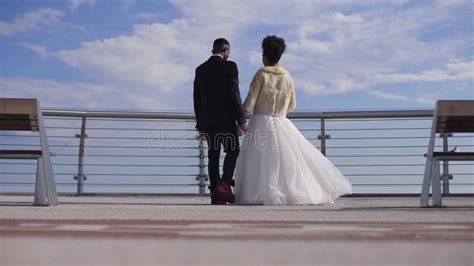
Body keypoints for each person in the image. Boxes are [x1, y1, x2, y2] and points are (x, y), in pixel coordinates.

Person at [234, 35, 352, 205]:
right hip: (281, 121)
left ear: (264, 55)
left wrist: (241, 119)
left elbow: (250, 102)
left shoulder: (261, 74)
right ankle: (288, 193)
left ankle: (262, 194)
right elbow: (292, 104)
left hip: (260, 122)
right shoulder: (287, 77)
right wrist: (280, 113)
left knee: (260, 162)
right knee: (285, 162)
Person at [193, 38, 247, 205]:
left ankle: (215, 193)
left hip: (208, 121)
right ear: (226, 50)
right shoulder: (230, 66)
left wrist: (200, 126)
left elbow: (197, 99)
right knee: (233, 150)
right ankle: (224, 184)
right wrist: (241, 120)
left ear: (212, 51)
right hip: (226, 119)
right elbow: (234, 93)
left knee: (213, 154)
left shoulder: (200, 69)